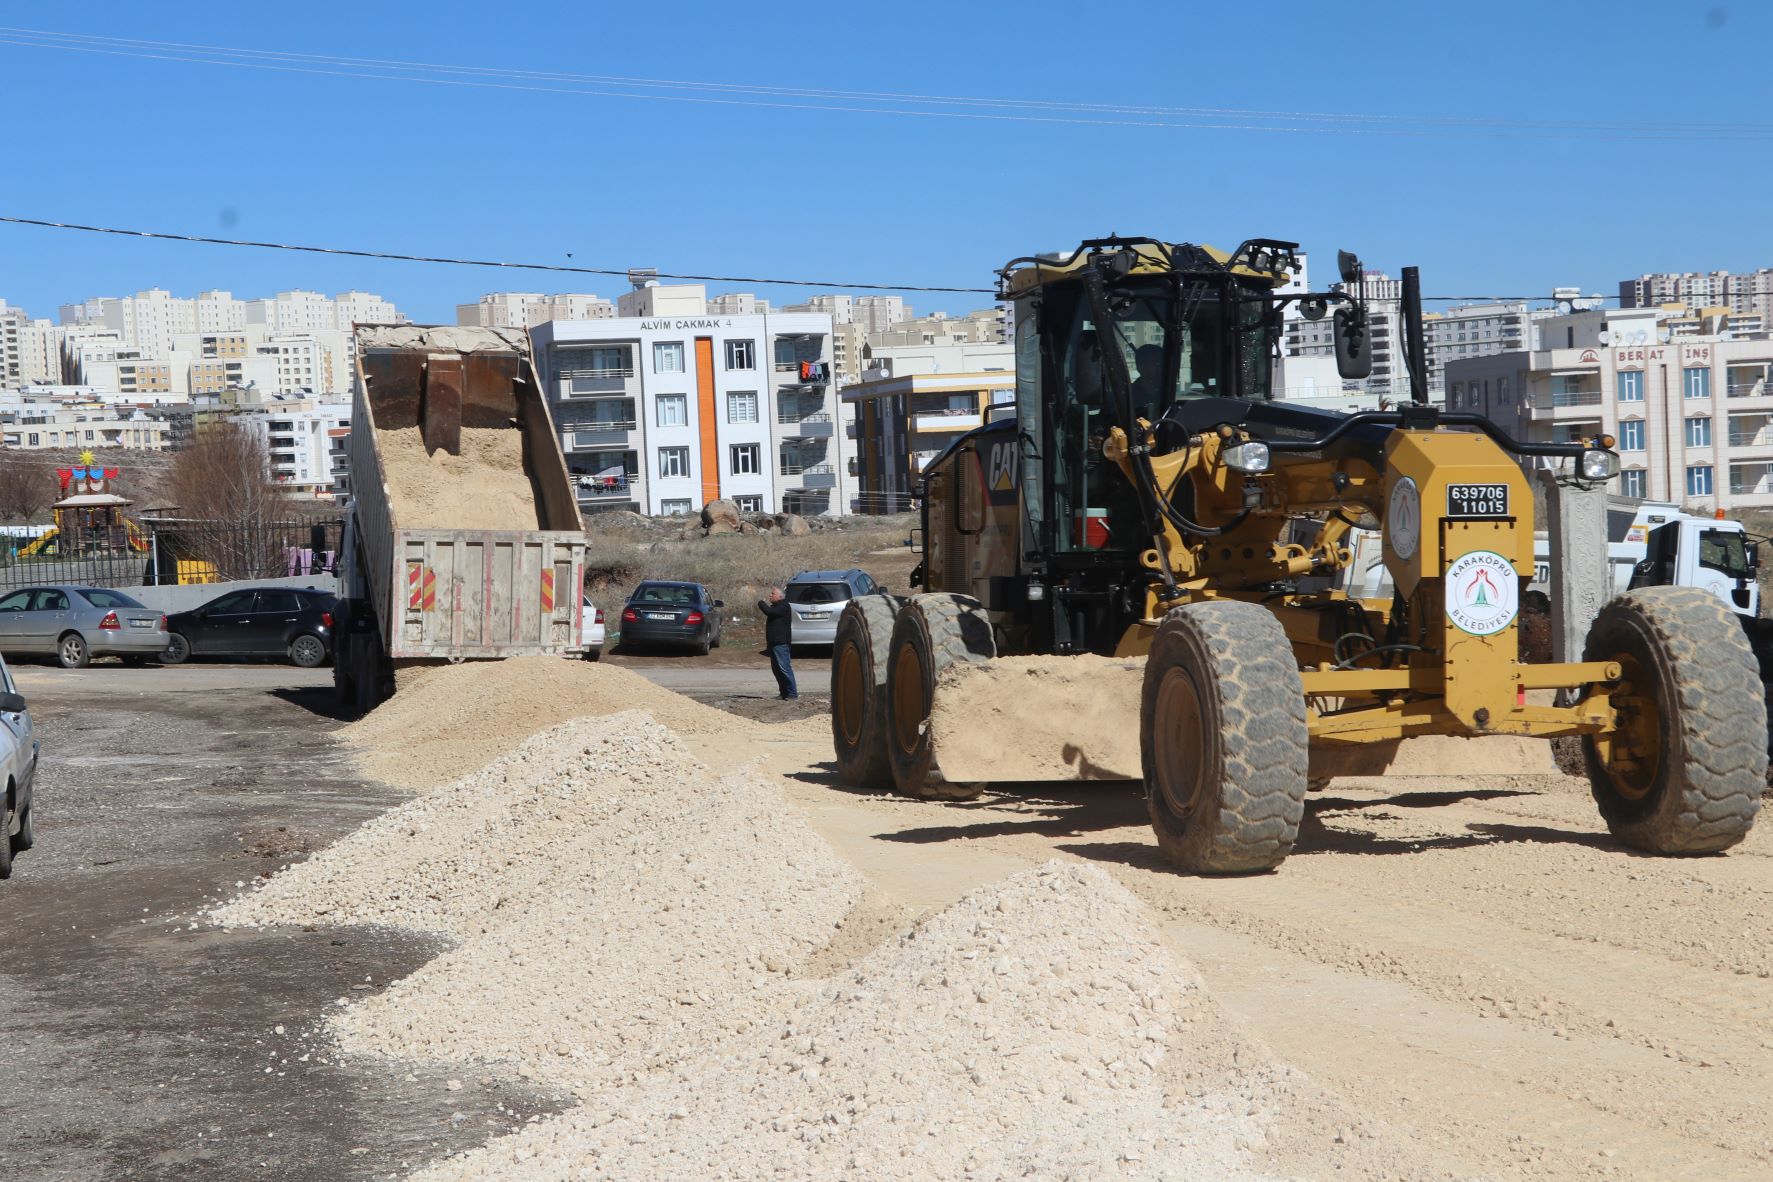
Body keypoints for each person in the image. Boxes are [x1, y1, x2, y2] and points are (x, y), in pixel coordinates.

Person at [758, 586, 797, 700]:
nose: (770, 595)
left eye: (773, 593)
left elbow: (769, 612)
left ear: (780, 596)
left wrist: (761, 603)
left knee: (784, 668)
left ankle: (792, 693)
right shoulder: (778, 606)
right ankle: (784, 693)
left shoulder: (784, 606)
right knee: (776, 670)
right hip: (774, 643)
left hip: (781, 643)